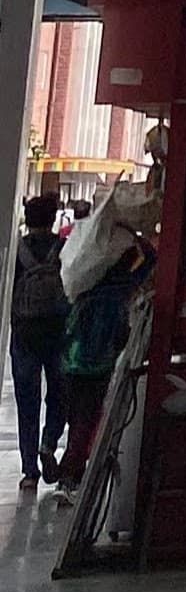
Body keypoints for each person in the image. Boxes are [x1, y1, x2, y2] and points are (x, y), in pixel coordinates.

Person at [54, 173, 159, 496]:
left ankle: (69, 468)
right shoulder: (126, 254)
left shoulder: (94, 249)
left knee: (77, 415)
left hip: (74, 349)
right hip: (97, 352)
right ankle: (72, 473)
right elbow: (147, 264)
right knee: (89, 415)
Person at [12, 196, 69, 487]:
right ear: (52, 218)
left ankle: (29, 471)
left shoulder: (17, 252)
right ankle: (49, 443)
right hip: (58, 332)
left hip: (24, 334)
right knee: (59, 394)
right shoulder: (64, 249)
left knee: (27, 401)